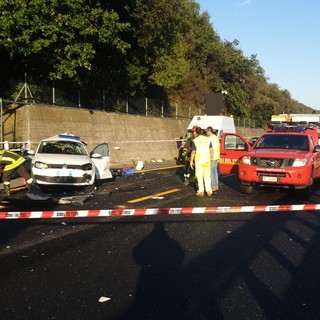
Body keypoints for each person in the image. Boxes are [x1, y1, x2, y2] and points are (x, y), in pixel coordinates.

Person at [190, 127, 213, 197]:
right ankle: (209, 190)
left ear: (196, 133)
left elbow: (193, 152)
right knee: (207, 176)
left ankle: (201, 191)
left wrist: (191, 161)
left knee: (199, 176)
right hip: (207, 160)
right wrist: (211, 158)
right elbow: (211, 149)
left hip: (199, 161)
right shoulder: (208, 139)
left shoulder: (195, 140)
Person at [206, 126, 220, 191]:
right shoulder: (216, 137)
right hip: (217, 157)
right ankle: (216, 185)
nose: (206, 133)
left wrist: (211, 157)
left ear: (209, 131)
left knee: (211, 172)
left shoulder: (210, 138)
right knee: (215, 172)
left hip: (212, 157)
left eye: (206, 131)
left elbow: (211, 148)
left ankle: (213, 186)